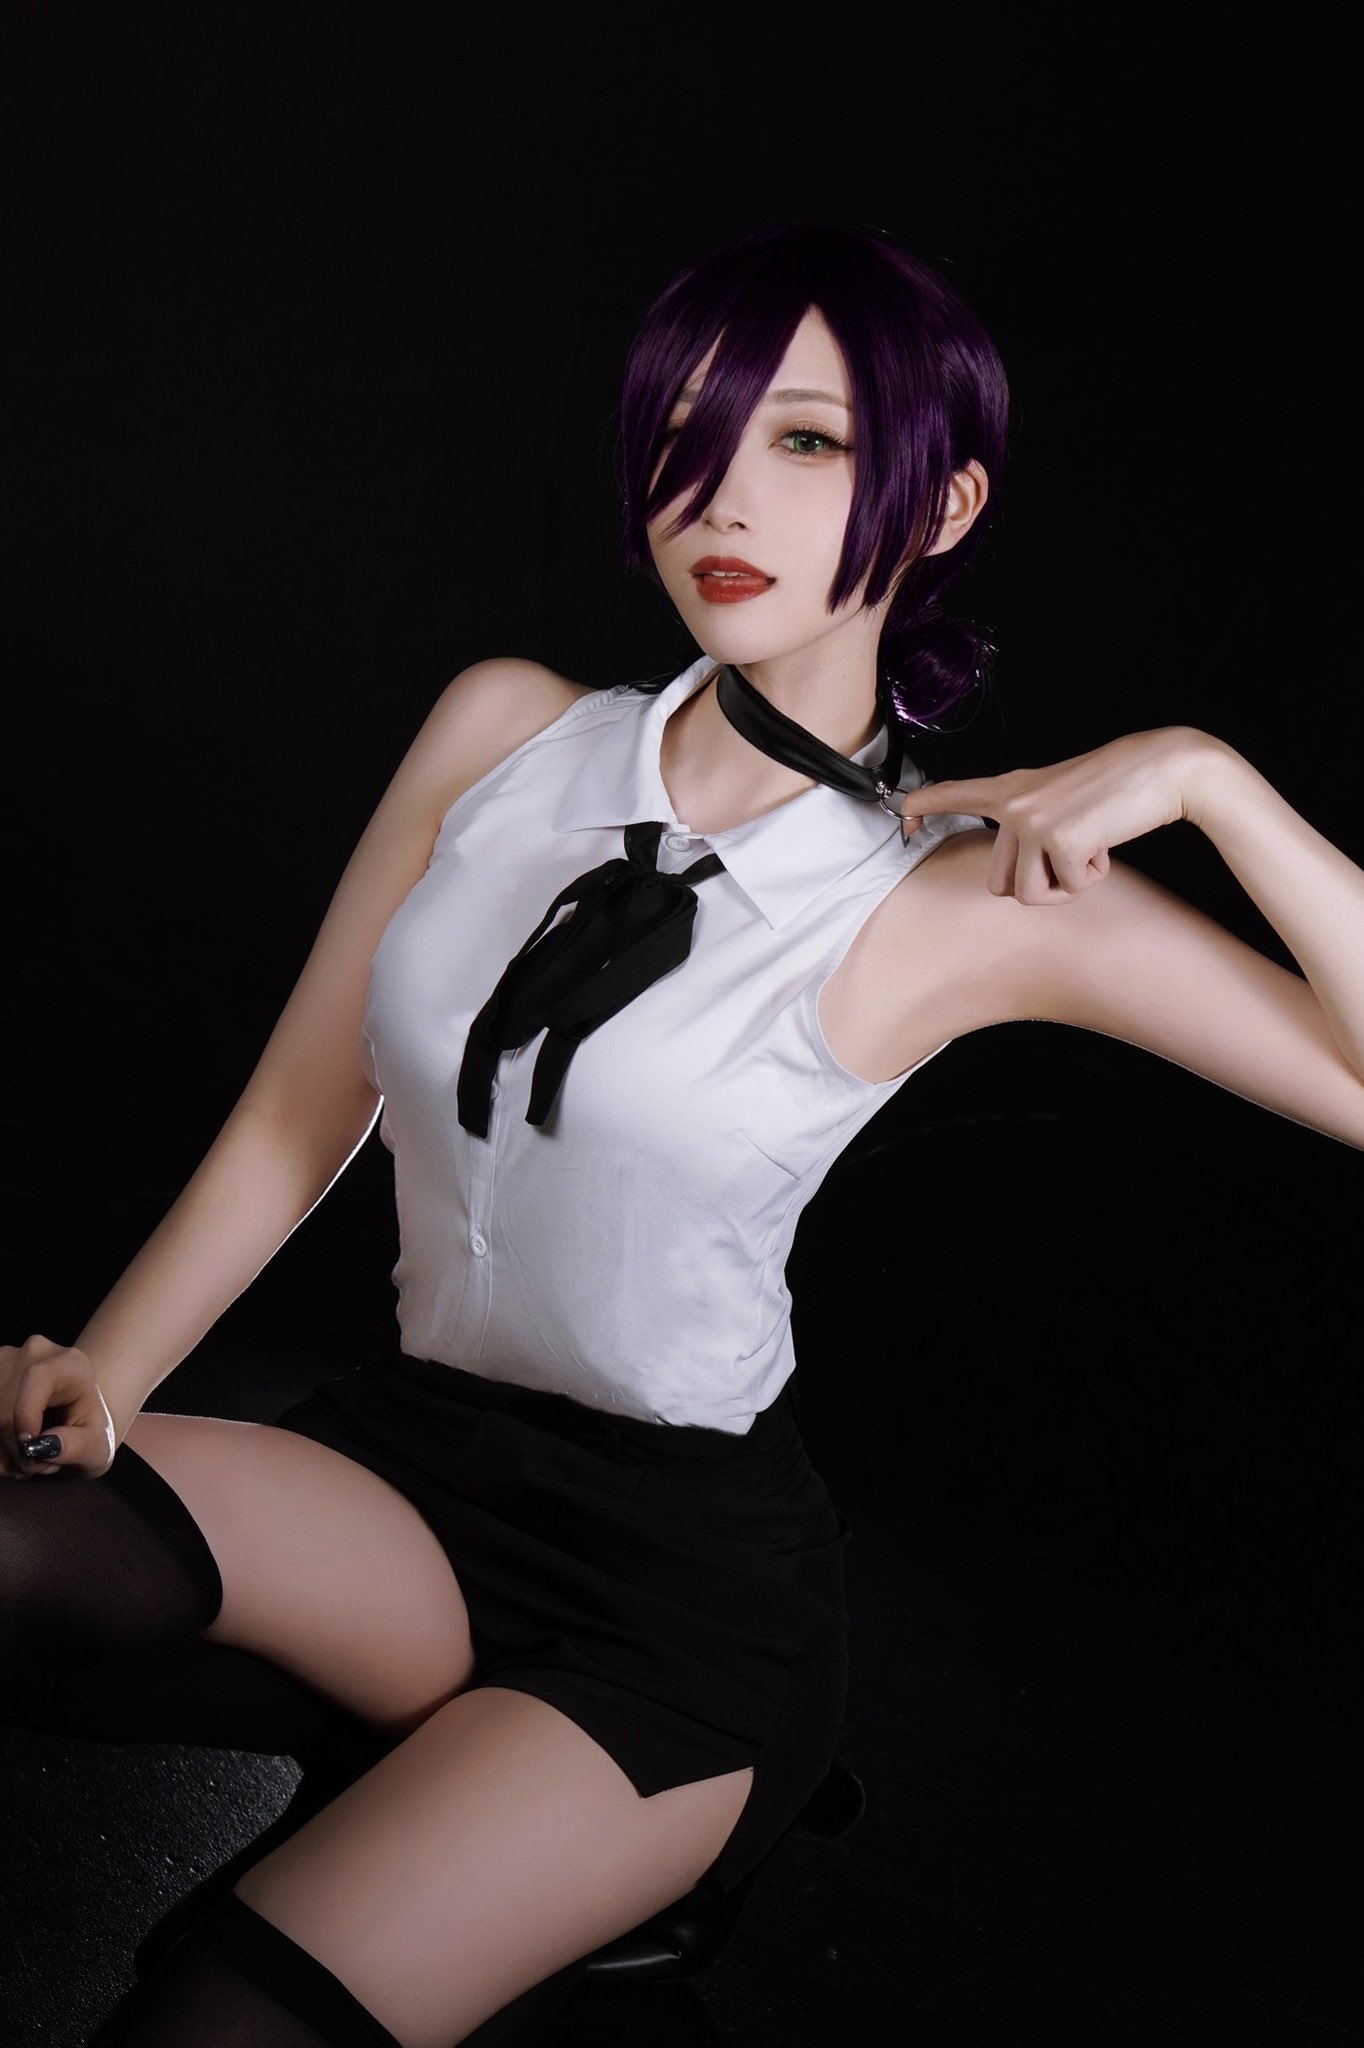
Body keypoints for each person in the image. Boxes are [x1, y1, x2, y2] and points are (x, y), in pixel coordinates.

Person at [3, 219, 1362, 2048]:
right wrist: (98, 1377)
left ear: (942, 503)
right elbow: (294, 1118)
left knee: (211, 2023)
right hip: (410, 1468)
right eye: (683, 433)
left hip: (672, 1608)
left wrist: (1211, 779)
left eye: (802, 440)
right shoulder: (505, 735)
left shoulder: (955, 898)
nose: (718, 494)